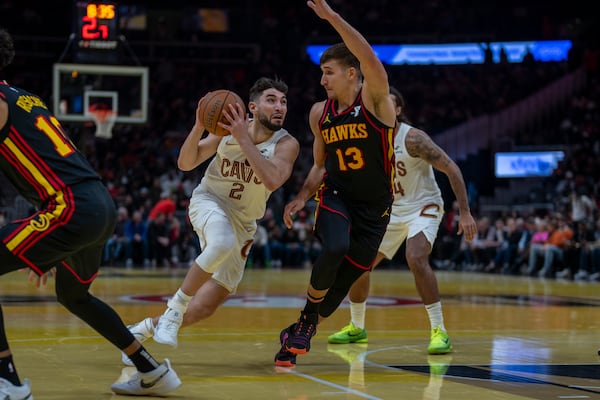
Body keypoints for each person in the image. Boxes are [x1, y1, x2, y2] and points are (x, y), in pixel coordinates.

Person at [0, 28, 180, 398]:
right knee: (74, 296)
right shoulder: (26, 100)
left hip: (70, 208)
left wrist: (54, 228)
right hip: (96, 205)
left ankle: (9, 382)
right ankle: (151, 370)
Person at [122, 77, 299, 356]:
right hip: (210, 201)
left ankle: (142, 328)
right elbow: (186, 163)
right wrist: (198, 127)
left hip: (244, 222)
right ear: (252, 107)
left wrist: (243, 139)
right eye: (271, 100)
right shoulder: (225, 130)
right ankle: (174, 309)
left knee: (206, 306)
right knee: (220, 242)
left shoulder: (286, 144)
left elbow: (272, 179)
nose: (279, 107)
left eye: (283, 102)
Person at [274, 0, 398, 368]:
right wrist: (300, 197)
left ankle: (299, 330)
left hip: (376, 209)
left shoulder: (377, 102)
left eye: (328, 72)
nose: (322, 79)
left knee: (340, 287)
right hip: (337, 196)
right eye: (321, 73)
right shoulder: (319, 113)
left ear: (351, 73)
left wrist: (332, 18)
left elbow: (370, 57)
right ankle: (304, 326)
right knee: (335, 247)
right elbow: (318, 165)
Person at [326, 87, 477, 355]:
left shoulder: (414, 139)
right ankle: (357, 327)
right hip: (391, 211)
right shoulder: (366, 140)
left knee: (416, 257)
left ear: (397, 110)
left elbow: (452, 168)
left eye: (386, 104)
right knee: (359, 264)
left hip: (423, 205)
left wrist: (464, 212)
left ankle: (439, 330)